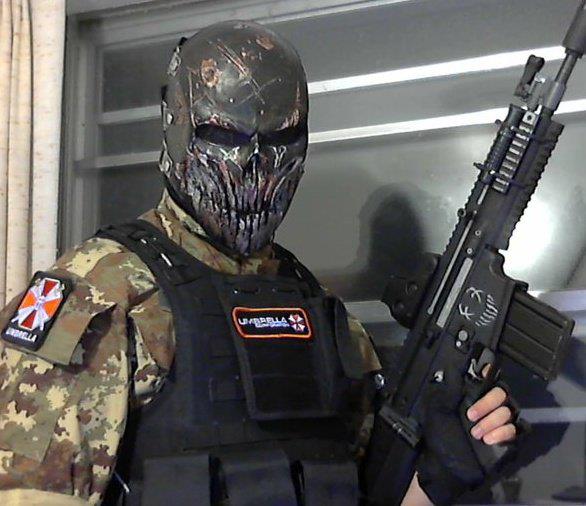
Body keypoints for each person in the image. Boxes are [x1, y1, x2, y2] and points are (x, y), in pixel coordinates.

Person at [0, 21, 519, 506]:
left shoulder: (315, 307)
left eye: (280, 140)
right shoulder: (101, 293)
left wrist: (442, 471)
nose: (253, 163)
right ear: (177, 127)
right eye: (225, 137)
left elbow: (365, 490)